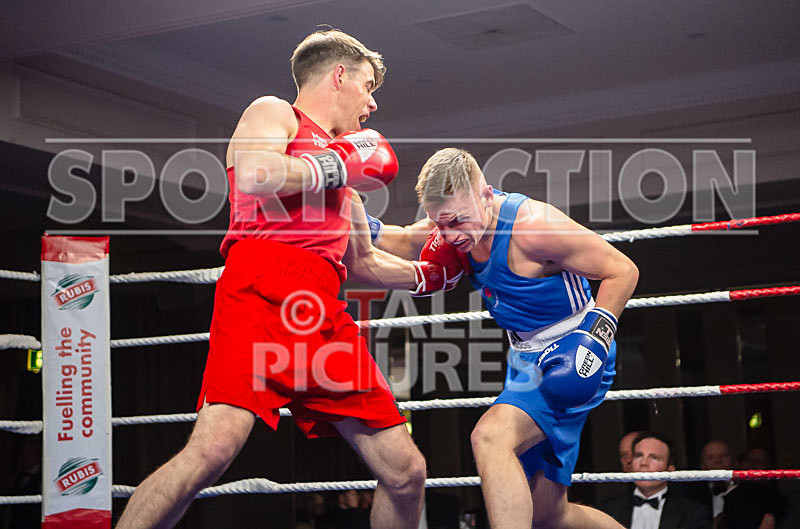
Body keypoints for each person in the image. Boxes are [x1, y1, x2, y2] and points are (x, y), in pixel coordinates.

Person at [116, 30, 457, 529]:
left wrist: (431, 275)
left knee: (406, 471)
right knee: (212, 451)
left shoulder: (346, 186)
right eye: (367, 86)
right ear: (339, 75)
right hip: (259, 292)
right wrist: (340, 161)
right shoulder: (275, 113)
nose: (372, 103)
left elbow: (365, 263)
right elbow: (256, 173)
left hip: (323, 314)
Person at [414, 148, 639, 529]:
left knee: (490, 437)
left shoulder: (534, 227)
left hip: (573, 350)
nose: (451, 235)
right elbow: (405, 239)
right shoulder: (456, 230)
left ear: (485, 194)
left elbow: (623, 269)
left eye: (458, 220)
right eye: (441, 224)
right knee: (550, 514)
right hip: (524, 359)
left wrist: (594, 341)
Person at [598, 432, 711, 529]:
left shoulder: (694, 514)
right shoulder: (607, 511)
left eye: (654, 458)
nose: (644, 463)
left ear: (670, 469)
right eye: (638, 456)